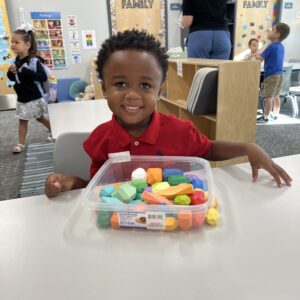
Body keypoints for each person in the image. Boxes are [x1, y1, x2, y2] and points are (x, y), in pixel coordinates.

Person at [45, 30, 292, 198]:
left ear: (159, 91)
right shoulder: (101, 139)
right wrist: (73, 184)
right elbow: (99, 189)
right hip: (120, 231)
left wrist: (247, 148)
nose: (132, 95)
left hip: (175, 229)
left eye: (145, 86)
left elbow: (209, 149)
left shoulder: (180, 131)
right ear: (104, 88)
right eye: (120, 84)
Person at [7, 24, 51, 153]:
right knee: (22, 121)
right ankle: (20, 143)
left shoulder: (34, 61)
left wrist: (26, 71)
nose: (13, 45)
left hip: (34, 96)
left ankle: (54, 130)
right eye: (12, 42)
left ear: (27, 44)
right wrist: (10, 72)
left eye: (16, 42)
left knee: (40, 118)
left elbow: (42, 77)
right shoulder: (15, 60)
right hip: (22, 97)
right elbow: (14, 79)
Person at [256, 23, 290, 123]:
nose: (269, 31)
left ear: (277, 35)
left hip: (271, 75)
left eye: (272, 30)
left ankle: (265, 116)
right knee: (276, 95)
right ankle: (275, 114)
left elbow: (260, 58)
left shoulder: (271, 46)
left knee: (268, 97)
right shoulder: (280, 46)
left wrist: (256, 53)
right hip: (280, 74)